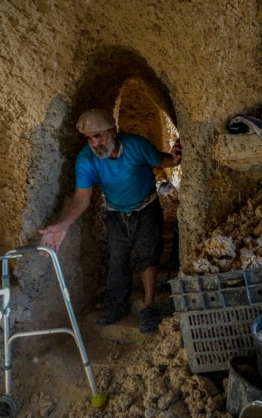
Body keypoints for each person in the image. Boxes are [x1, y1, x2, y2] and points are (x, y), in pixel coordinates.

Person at [38, 108, 182, 333]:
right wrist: (62, 226)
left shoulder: (136, 145)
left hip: (146, 207)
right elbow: (82, 197)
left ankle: (149, 306)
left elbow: (162, 160)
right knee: (118, 259)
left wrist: (174, 159)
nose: (95, 143)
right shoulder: (86, 159)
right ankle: (117, 306)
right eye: (89, 138)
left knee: (148, 256)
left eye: (99, 135)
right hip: (115, 213)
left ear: (114, 131)